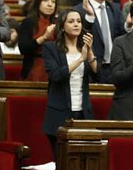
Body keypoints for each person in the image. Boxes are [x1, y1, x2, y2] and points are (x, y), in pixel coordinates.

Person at [42, 9, 97, 154]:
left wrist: (89, 52)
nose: (76, 25)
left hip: (83, 111)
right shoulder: (51, 48)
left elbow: (98, 74)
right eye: (71, 21)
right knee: (61, 159)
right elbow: (56, 75)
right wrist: (80, 59)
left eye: (79, 21)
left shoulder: (84, 47)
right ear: (62, 26)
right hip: (59, 113)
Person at [74, 0, 125, 83]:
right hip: (90, 68)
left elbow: (121, 35)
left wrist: (129, 26)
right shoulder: (79, 10)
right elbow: (79, 37)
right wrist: (90, 17)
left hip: (114, 69)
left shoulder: (115, 8)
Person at [18, 0, 57, 80]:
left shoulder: (58, 23)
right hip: (33, 68)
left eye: (53, 1)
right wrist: (44, 37)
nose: (50, 4)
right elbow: (23, 49)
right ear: (38, 3)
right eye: (46, 0)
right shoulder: (28, 22)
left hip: (54, 69)